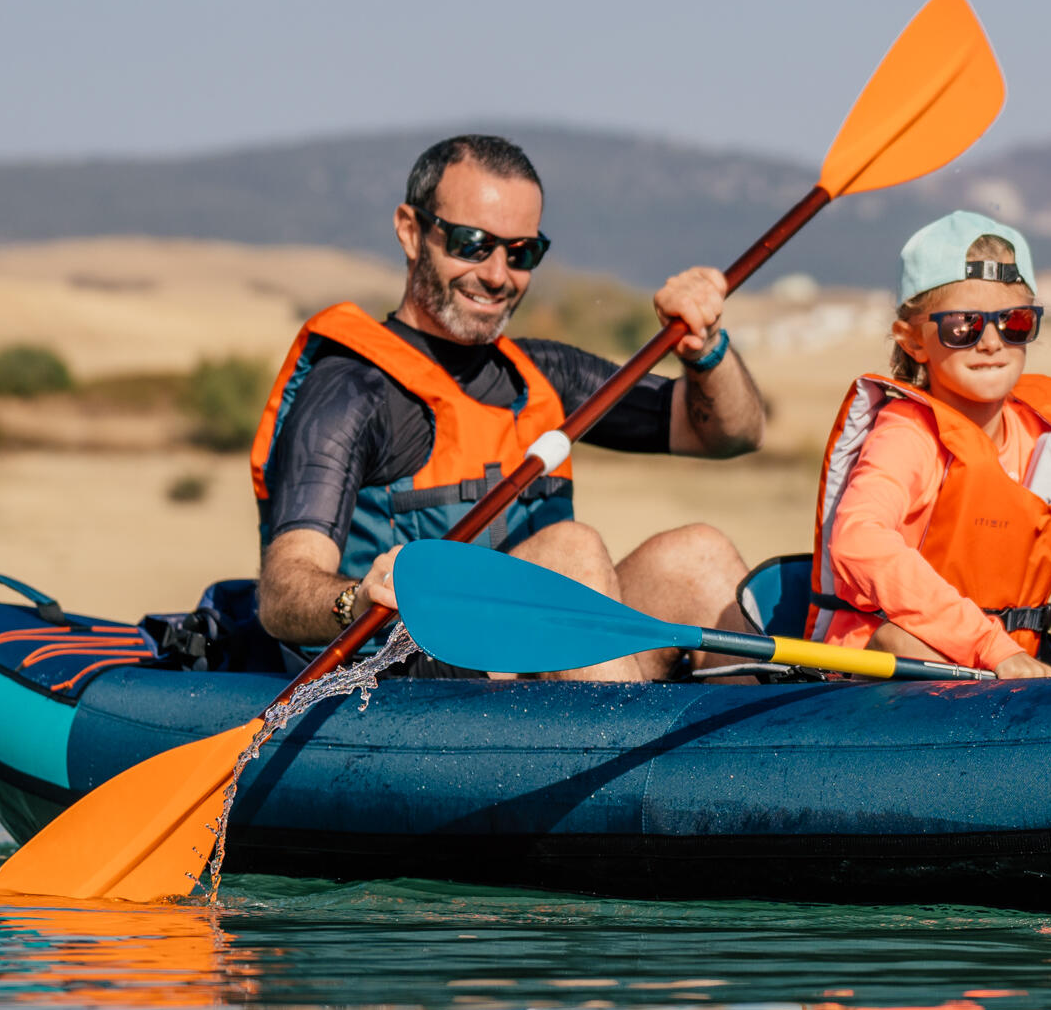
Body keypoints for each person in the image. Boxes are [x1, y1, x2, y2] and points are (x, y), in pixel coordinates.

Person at [250, 133, 767, 681]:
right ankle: (622, 755)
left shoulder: (546, 373)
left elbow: (728, 432)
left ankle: (752, 763)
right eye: (472, 243)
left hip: (534, 672)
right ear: (411, 231)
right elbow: (283, 591)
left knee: (697, 557)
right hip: (404, 681)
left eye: (521, 253)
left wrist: (705, 346)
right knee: (570, 550)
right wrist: (356, 600)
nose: (497, 274)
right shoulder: (348, 391)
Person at [801, 211, 1051, 678]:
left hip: (1011, 674)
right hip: (890, 680)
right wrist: (990, 647)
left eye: (1014, 321)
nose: (991, 342)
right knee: (904, 641)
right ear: (912, 340)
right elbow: (858, 540)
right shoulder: (907, 435)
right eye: (962, 325)